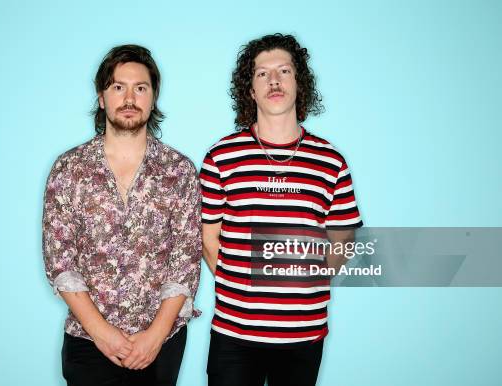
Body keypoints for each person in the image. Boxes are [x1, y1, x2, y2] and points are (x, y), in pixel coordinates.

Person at [200, 33, 363, 386]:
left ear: (298, 83)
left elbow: (344, 238)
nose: (274, 80)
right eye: (262, 74)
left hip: (304, 337)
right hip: (234, 336)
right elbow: (208, 240)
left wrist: (304, 284)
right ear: (251, 91)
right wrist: (241, 286)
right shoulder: (221, 157)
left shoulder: (330, 160)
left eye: (284, 71)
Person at [43, 44, 202, 386]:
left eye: (140, 88)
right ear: (102, 97)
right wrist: (101, 332)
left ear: (153, 97)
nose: (129, 98)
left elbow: (186, 260)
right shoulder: (69, 169)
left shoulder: (180, 171)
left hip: (161, 344)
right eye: (118, 87)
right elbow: (60, 260)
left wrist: (155, 336)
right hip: (88, 343)